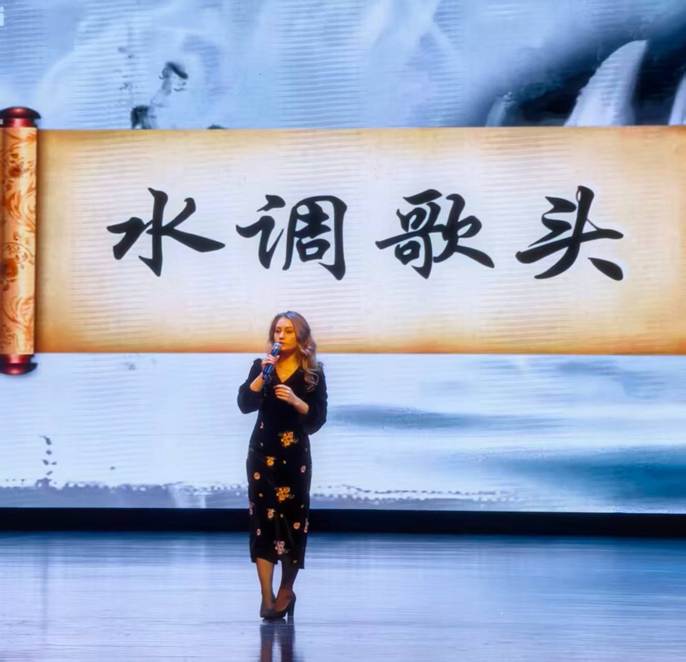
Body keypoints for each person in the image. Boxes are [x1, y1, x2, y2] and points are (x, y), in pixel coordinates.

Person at [237, 311, 327, 620]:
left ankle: (286, 590)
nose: (281, 336)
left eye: (288, 331)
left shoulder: (313, 372)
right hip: (262, 454)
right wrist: (262, 375)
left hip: (295, 457)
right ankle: (266, 597)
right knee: (263, 522)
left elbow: (317, 420)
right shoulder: (261, 366)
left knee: (292, 522)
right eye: (277, 330)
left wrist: (296, 401)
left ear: (300, 337)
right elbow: (244, 405)